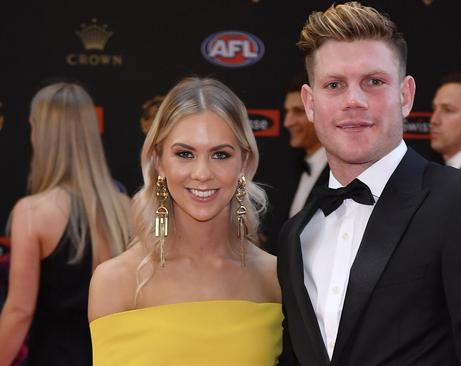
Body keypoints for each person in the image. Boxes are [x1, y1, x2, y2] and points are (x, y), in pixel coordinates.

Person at [277, 2, 461, 365]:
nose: (354, 100)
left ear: (405, 95)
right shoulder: (296, 235)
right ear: (310, 103)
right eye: (334, 85)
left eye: (374, 82)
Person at [88, 77, 282, 366]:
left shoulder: (274, 278)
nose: (202, 173)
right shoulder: (118, 281)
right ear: (158, 161)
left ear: (244, 162)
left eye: (220, 154)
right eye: (185, 154)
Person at [0, 82, 131, 365]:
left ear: (41, 133)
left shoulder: (32, 212)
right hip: (112, 357)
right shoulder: (123, 206)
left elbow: (19, 311)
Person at [284, 71, 329, 218]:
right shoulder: (293, 168)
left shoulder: (344, 173)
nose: (287, 122)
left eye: (298, 112)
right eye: (287, 112)